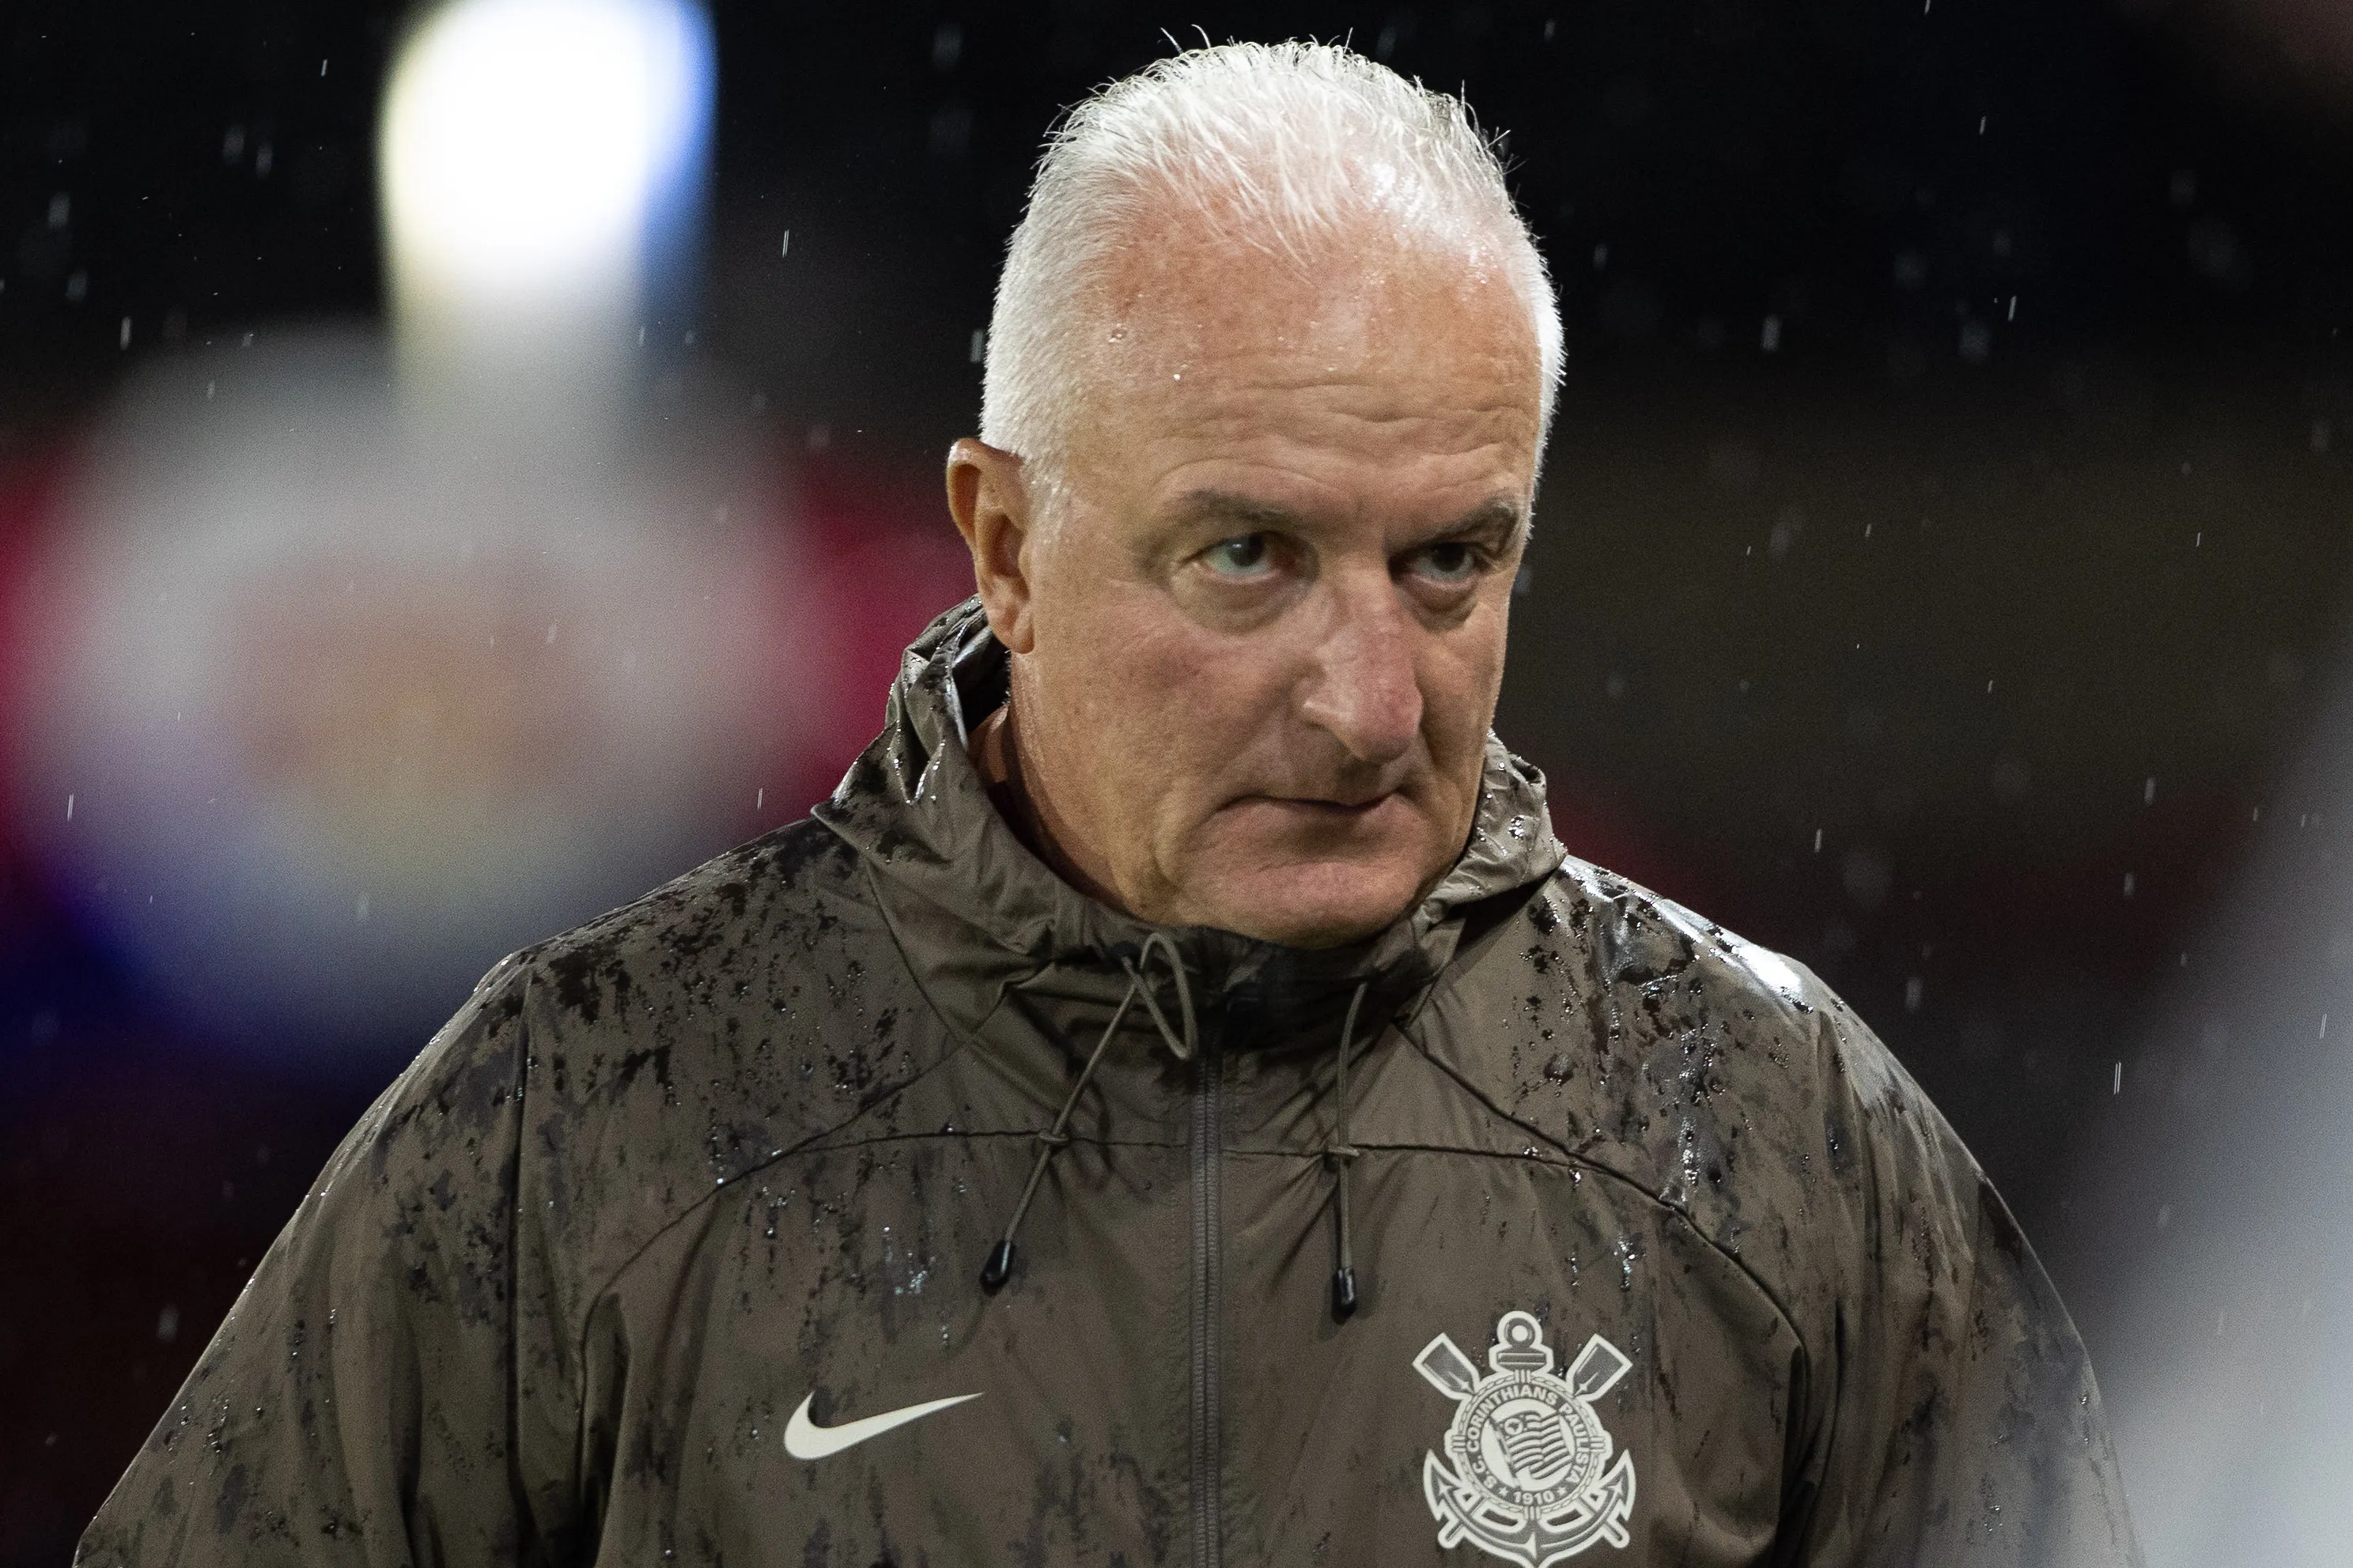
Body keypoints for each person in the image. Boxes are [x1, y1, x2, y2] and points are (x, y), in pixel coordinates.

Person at [80, 41, 2139, 1568]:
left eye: (1432, 558)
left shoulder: (1731, 1108)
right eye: (1237, 554)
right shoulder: (548, 1116)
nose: (1347, 683)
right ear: (1007, 546)